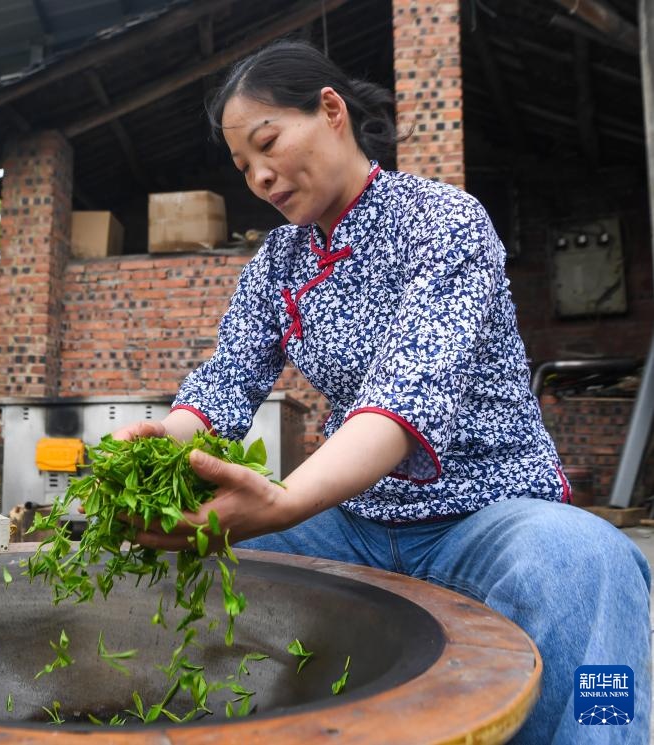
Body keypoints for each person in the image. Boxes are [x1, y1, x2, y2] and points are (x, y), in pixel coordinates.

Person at [115, 40, 651, 744]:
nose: (260, 176)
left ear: (330, 111)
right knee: (173, 556)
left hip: (486, 510)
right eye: (243, 166)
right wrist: (164, 441)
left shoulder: (444, 222)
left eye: (268, 143)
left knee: (588, 561)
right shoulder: (277, 261)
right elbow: (224, 381)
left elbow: (402, 399)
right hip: (354, 520)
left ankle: (605, 731)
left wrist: (284, 501)